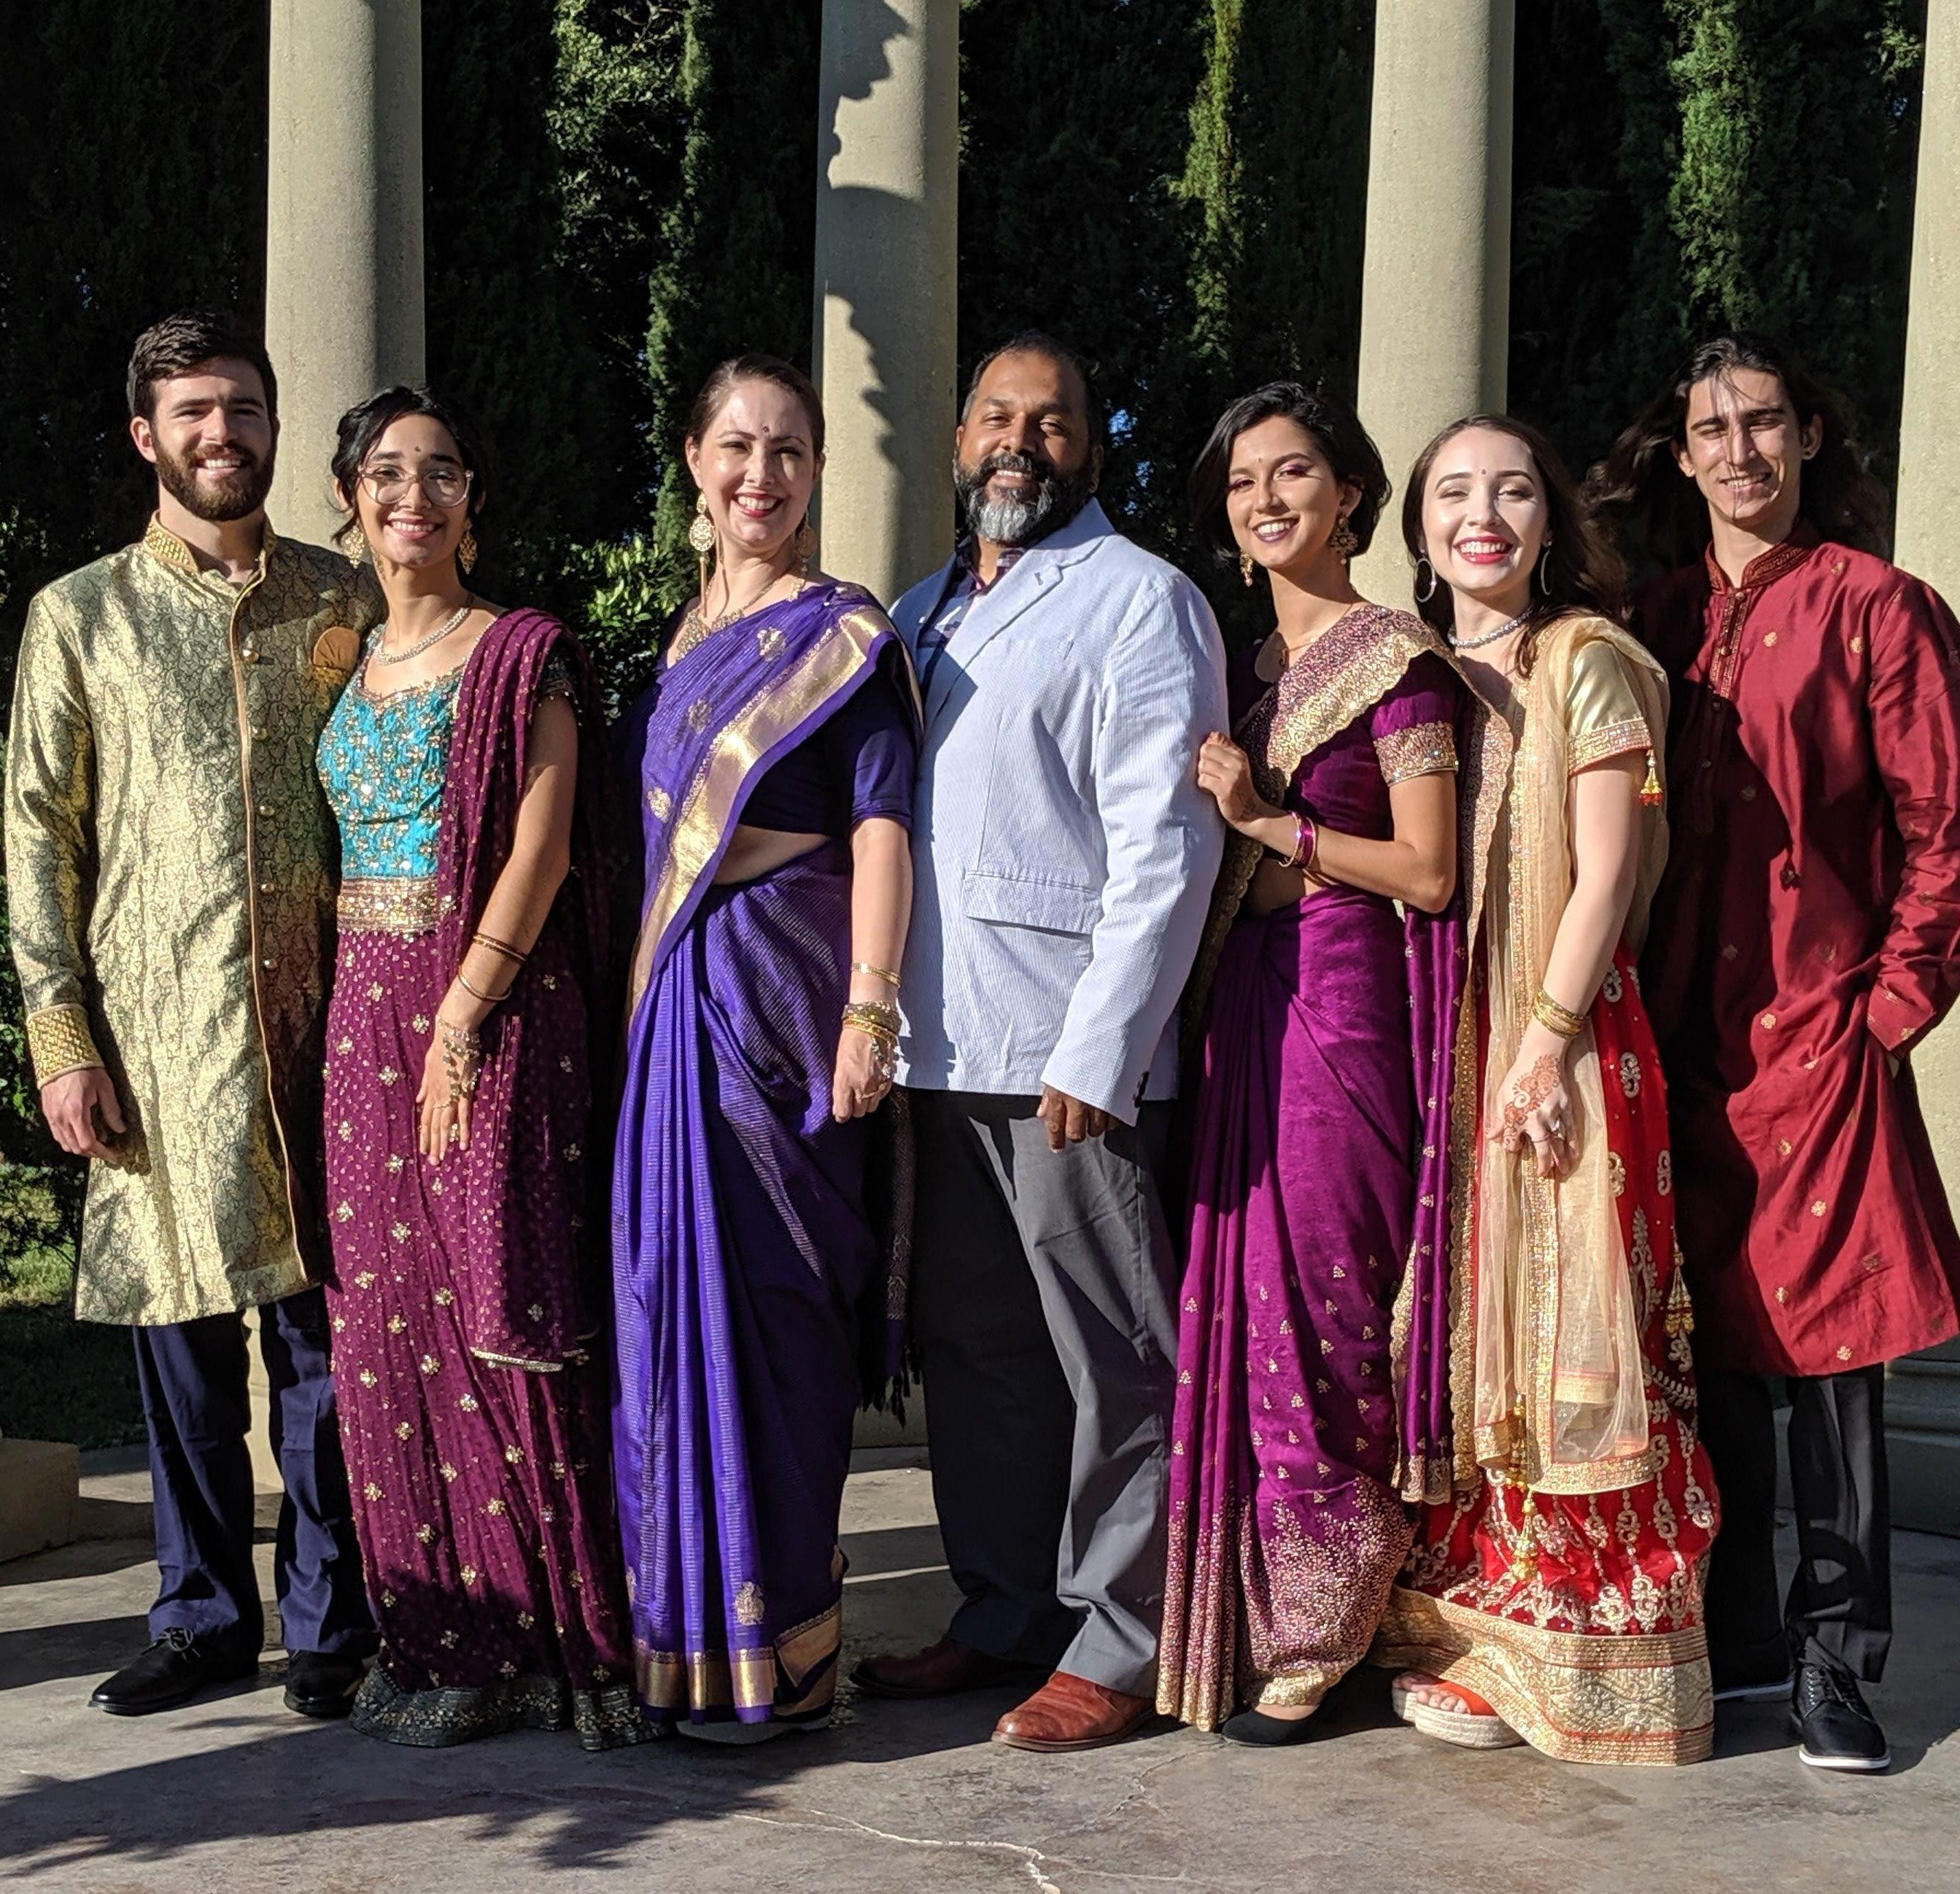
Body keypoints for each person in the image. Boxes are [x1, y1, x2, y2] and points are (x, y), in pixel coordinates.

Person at [1592, 334, 1960, 1775]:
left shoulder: (1878, 608)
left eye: (1762, 422)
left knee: (1832, 1360)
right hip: (1670, 1040)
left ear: (1807, 436)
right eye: (1710, 429)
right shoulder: (1651, 617)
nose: (1739, 450)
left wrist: (1884, 1014)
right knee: (1701, 1345)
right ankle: (1740, 1633)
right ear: (1681, 453)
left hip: (1818, 1038)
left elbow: (1946, 835)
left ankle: (1836, 1657)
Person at [851, 332, 1228, 1752]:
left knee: (1109, 1356)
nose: (1020, 441)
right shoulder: (916, 608)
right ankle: (1005, 1605)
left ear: (1091, 444)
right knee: (976, 1348)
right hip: (938, 1046)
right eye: (996, 417)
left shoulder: (1141, 599)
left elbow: (1165, 843)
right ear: (958, 440)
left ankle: (1122, 1637)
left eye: (1053, 421)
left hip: (1067, 1055)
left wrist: (1102, 1045)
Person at [4, 310, 377, 1719]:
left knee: (325, 1353)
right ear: (145, 437)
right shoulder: (81, 614)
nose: (223, 433)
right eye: (194, 413)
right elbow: (39, 834)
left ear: (275, 426)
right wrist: (62, 1038)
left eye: (244, 408)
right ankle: (205, 1616)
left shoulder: (347, 599)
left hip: (326, 1033)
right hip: (157, 1043)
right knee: (182, 1350)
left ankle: (333, 1623)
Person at [1379, 414, 1718, 1768]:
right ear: (1418, 527)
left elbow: (1605, 870)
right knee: (1467, 1321)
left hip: (1559, 1034)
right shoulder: (1412, 673)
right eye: (1453, 492)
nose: (1482, 514)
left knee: (1569, 1314)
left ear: (1548, 521)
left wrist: (1545, 1040)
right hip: (1441, 1042)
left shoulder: (1586, 657)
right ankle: (1474, 1620)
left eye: (1511, 490)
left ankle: (1585, 1638)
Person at [314, 386, 647, 1750]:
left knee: (504, 1300)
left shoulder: (522, 653)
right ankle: (446, 1640)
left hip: (491, 1008)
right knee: (385, 1322)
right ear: (351, 498)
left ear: (474, 500)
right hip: (361, 1015)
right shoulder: (344, 665)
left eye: (442, 471)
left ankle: (565, 1643)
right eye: (388, 473)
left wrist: (462, 1014)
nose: (415, 495)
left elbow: (544, 843)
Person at [611, 355, 918, 1743]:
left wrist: (870, 1005)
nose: (762, 473)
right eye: (737, 446)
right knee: (672, 1307)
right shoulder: (676, 645)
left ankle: (787, 1641)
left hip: (788, 1001)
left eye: (789, 450)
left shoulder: (842, 638)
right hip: (678, 1003)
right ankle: (687, 1646)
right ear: (694, 460)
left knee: (783, 1312)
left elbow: (882, 826)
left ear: (816, 473)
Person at [1155, 383, 1463, 1745]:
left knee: (1325, 1302)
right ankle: (1258, 1613)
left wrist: (1268, 822)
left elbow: (1431, 869)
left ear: (1349, 495)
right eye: (1241, 483)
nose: (1265, 499)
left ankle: (1329, 1626)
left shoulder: (1395, 659)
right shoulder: (1234, 669)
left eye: (1292, 473)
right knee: (1238, 1302)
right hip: (1240, 1004)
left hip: (1342, 994)